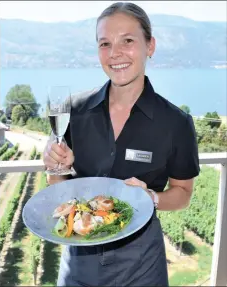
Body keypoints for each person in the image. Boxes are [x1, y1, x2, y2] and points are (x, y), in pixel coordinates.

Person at [43, 2, 200, 286]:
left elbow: (183, 193)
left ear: (149, 46)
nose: (115, 53)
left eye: (127, 40)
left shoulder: (176, 122)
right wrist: (55, 165)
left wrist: (151, 197)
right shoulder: (73, 110)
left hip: (142, 266)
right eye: (105, 43)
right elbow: (58, 185)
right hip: (79, 259)